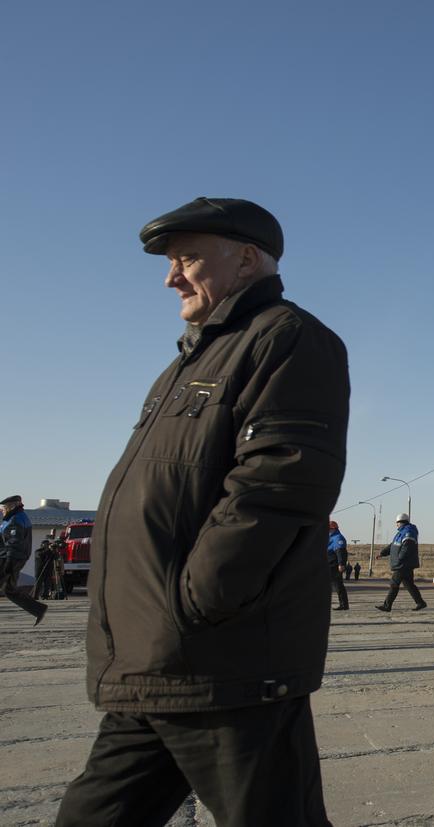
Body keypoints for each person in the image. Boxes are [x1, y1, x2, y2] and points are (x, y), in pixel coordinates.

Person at [56, 197, 349, 827]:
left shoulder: (287, 339)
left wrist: (196, 604)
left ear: (246, 260)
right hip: (152, 663)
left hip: (223, 670)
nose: (170, 276)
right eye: (170, 261)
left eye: (186, 257)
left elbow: (277, 483)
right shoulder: (186, 365)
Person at [0, 495, 46, 624]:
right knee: (9, 590)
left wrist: (9, 561)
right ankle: (38, 609)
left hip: (10, 558)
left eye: (4, 507)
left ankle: (38, 609)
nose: (2, 509)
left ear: (12, 506)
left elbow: (15, 542)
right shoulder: (12, 518)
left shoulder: (15, 520)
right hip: (12, 557)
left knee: (7, 588)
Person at [377, 513, 426, 612]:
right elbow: (393, 545)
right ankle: (420, 603)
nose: (396, 525)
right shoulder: (401, 532)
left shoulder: (409, 532)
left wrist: (400, 558)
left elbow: (407, 547)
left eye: (397, 523)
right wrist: (383, 553)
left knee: (394, 584)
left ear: (401, 522)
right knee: (409, 584)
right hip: (402, 564)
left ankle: (387, 606)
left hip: (403, 564)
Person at [328, 520, 350, 611]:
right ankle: (343, 604)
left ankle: (344, 605)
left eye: (328, 529)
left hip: (334, 565)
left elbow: (341, 552)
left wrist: (341, 564)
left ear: (333, 529)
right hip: (329, 564)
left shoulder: (338, 538)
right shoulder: (331, 537)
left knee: (338, 585)